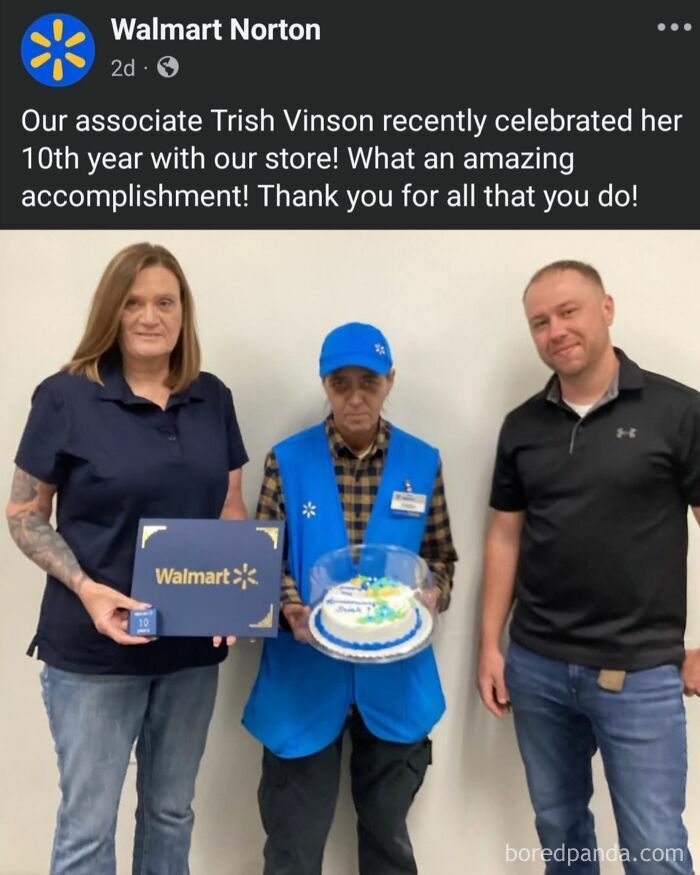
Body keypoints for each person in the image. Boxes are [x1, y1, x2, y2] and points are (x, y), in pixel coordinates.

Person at [6, 243, 248, 875]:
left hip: (190, 653)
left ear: (183, 312)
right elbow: (24, 513)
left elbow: (230, 505)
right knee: (88, 827)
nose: (149, 316)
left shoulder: (212, 397)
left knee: (171, 814)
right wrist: (86, 588)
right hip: (93, 651)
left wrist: (231, 597)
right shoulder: (64, 397)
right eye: (133, 302)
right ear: (111, 312)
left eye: (164, 302)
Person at [477, 260, 700, 874]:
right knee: (561, 834)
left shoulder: (679, 411)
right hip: (537, 666)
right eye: (540, 322)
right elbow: (504, 537)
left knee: (655, 848)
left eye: (568, 311)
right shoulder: (522, 427)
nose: (556, 331)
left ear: (606, 308)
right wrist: (490, 646)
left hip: (641, 675)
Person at [242, 321, 458, 875]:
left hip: (396, 683)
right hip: (302, 678)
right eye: (341, 383)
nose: (355, 396)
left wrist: (429, 597)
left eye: (369, 381)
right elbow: (264, 558)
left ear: (390, 381)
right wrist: (292, 608)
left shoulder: (421, 462)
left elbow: (439, 558)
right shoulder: (286, 461)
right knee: (293, 845)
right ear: (325, 385)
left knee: (388, 843)